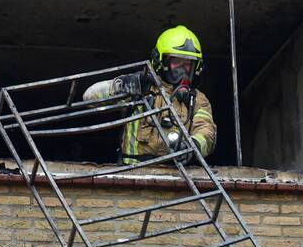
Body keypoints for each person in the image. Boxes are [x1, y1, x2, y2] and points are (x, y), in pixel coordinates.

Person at [83, 25, 216, 165]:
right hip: (132, 173)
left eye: (188, 64)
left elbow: (206, 132)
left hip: (175, 177)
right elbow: (89, 97)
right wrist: (125, 85)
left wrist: (192, 147)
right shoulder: (140, 87)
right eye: (177, 62)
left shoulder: (197, 99)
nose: (183, 70)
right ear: (160, 61)